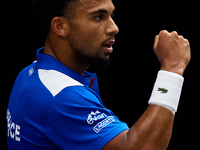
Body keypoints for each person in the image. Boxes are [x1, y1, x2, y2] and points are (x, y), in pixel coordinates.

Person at [6, 0, 191, 149]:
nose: (114, 27)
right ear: (60, 26)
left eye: (112, 15)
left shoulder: (29, 73)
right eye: (98, 17)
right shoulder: (63, 96)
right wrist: (172, 68)